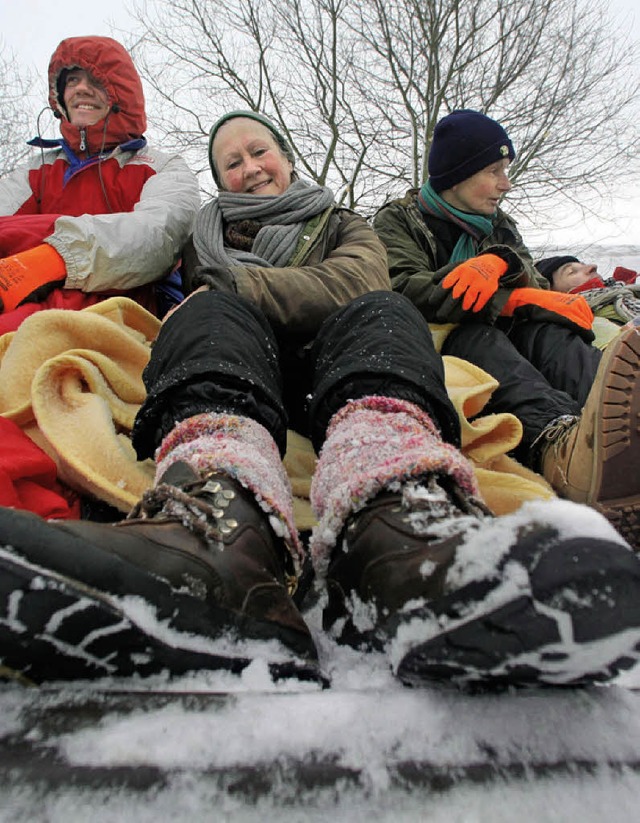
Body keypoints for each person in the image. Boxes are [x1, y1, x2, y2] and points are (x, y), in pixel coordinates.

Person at [1, 111, 640, 692]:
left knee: (383, 311)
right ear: (219, 177)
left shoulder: (341, 223)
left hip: (336, 372)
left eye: (260, 152)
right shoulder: (198, 240)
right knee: (205, 313)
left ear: (286, 158)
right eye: (232, 162)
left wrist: (239, 283)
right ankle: (222, 533)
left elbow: (357, 279)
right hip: (239, 371)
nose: (250, 168)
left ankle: (393, 530)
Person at [373, 109, 640, 549]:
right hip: (447, 345)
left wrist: (503, 262)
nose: (506, 183)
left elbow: (532, 278)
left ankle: (621, 420)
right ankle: (562, 444)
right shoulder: (398, 222)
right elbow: (404, 287)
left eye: (506, 170)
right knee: (483, 341)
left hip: (507, 330)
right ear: (455, 175)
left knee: (551, 336)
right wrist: (507, 298)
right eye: (493, 171)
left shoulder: (499, 225)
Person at [0, 35, 201, 334]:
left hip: (123, 305)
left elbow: (158, 237)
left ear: (121, 94)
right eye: (72, 81)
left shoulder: (160, 167)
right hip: (21, 297)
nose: (81, 88)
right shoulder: (36, 170)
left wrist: (54, 257)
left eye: (95, 80)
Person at [536, 256, 640, 330]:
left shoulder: (629, 295)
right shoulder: (591, 329)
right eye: (572, 271)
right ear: (555, 294)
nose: (592, 266)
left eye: (583, 265)